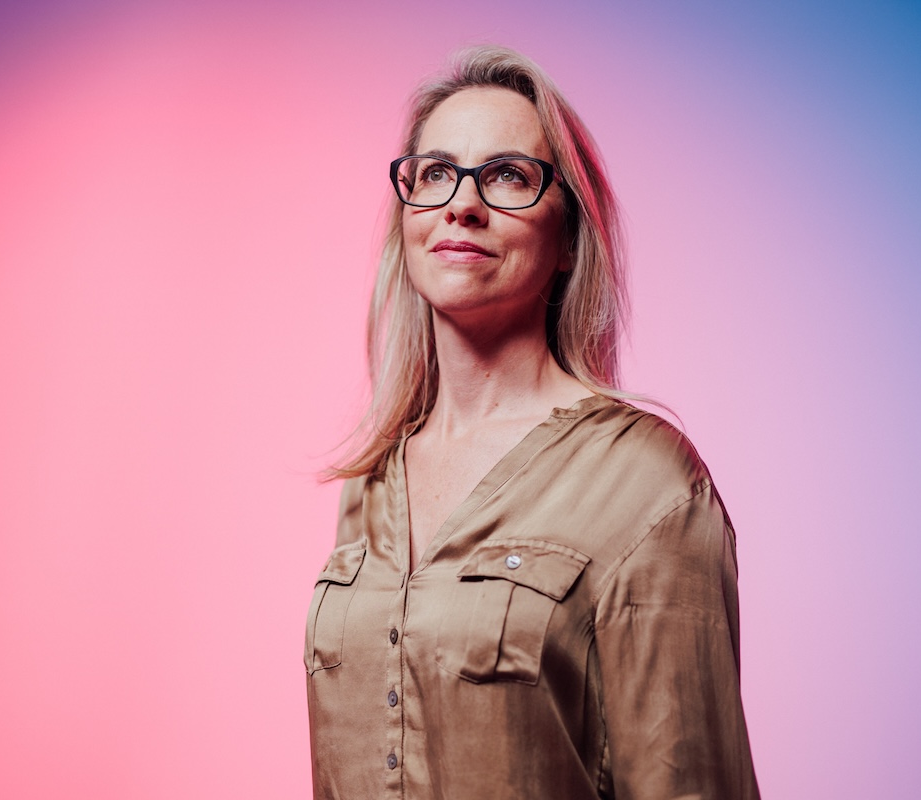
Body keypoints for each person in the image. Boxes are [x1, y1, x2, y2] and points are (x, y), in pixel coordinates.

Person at [304, 45, 759, 799]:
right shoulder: (373, 482)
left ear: (569, 241)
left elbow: (692, 783)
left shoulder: (645, 484)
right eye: (436, 173)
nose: (463, 204)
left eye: (508, 175)